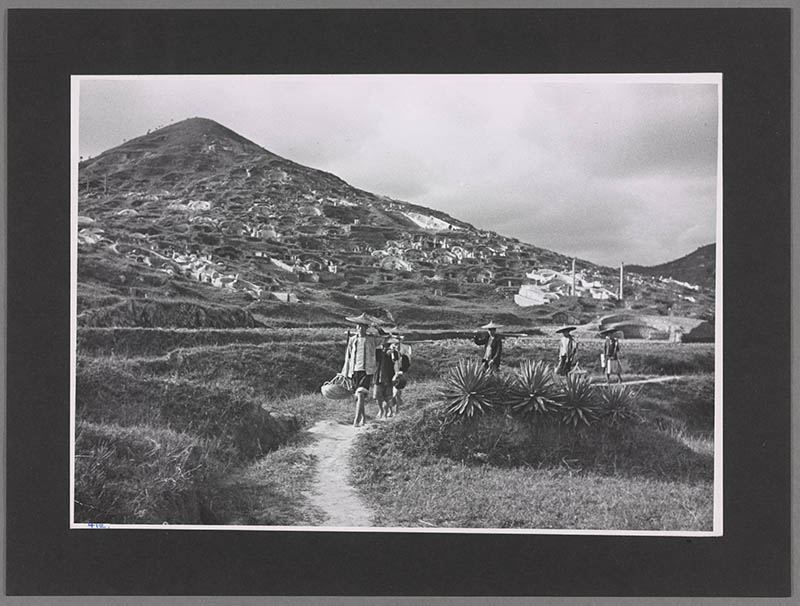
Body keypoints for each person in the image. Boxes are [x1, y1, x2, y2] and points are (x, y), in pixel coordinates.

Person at [341, 313, 386, 427]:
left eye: (363, 327)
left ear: (366, 328)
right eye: (358, 326)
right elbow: (348, 356)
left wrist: (377, 328)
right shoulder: (352, 340)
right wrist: (345, 372)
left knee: (360, 393)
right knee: (358, 396)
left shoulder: (372, 339)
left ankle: (356, 419)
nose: (360, 329)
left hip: (367, 370)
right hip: (355, 370)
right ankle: (364, 418)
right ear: (356, 328)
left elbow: (384, 338)